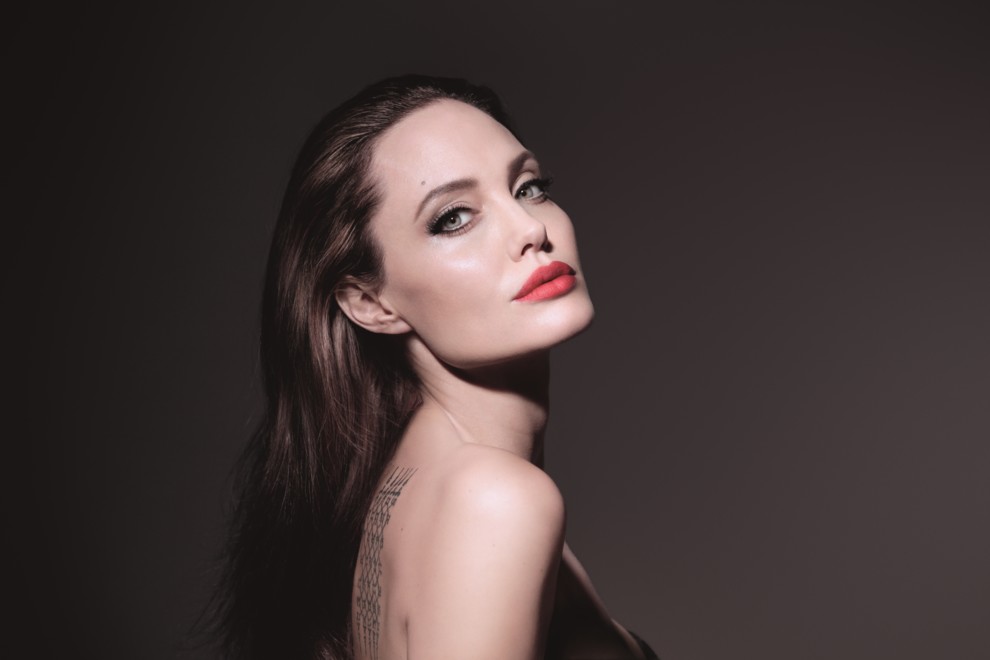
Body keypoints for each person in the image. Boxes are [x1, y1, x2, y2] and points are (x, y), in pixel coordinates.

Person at [208, 75, 658, 660]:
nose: (532, 229)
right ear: (370, 303)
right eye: (453, 218)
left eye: (528, 187)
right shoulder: (494, 503)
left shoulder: (415, 489)